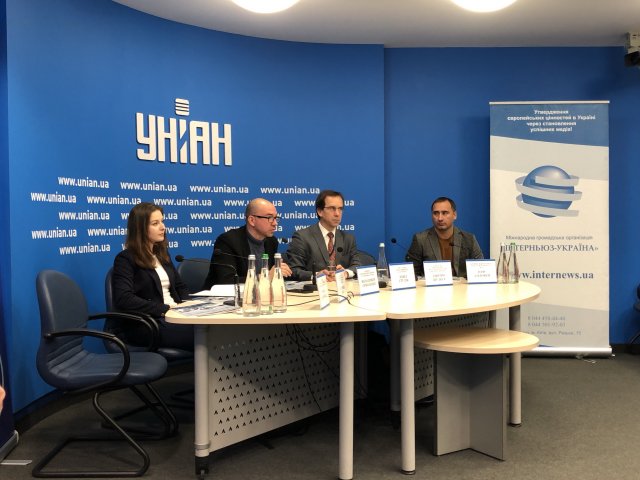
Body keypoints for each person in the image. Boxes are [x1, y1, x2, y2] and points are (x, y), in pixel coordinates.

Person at [112, 202, 193, 350]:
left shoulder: (162, 254)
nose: (163, 227)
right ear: (140, 228)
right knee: (202, 334)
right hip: (147, 324)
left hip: (174, 316)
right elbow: (124, 298)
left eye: (162, 221)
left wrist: (191, 306)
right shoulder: (125, 259)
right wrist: (165, 308)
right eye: (155, 223)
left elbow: (180, 286)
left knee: (210, 327)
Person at [203, 198, 291, 289]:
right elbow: (226, 281)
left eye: (276, 218)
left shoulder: (271, 241)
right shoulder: (228, 241)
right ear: (252, 220)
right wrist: (266, 276)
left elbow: (271, 277)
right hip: (221, 296)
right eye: (270, 218)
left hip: (258, 294)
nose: (275, 223)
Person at [285, 189, 361, 281]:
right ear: (320, 211)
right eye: (332, 208)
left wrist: (346, 273)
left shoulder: (348, 238)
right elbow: (294, 270)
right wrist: (317, 275)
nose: (337, 214)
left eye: (340, 209)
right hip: (316, 289)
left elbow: (357, 265)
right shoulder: (302, 237)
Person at [406, 196, 483, 279]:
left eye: (445, 213)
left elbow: (481, 269)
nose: (440, 218)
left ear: (454, 215)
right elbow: (412, 274)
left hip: (462, 286)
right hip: (432, 286)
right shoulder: (420, 239)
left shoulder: (469, 239)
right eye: (436, 213)